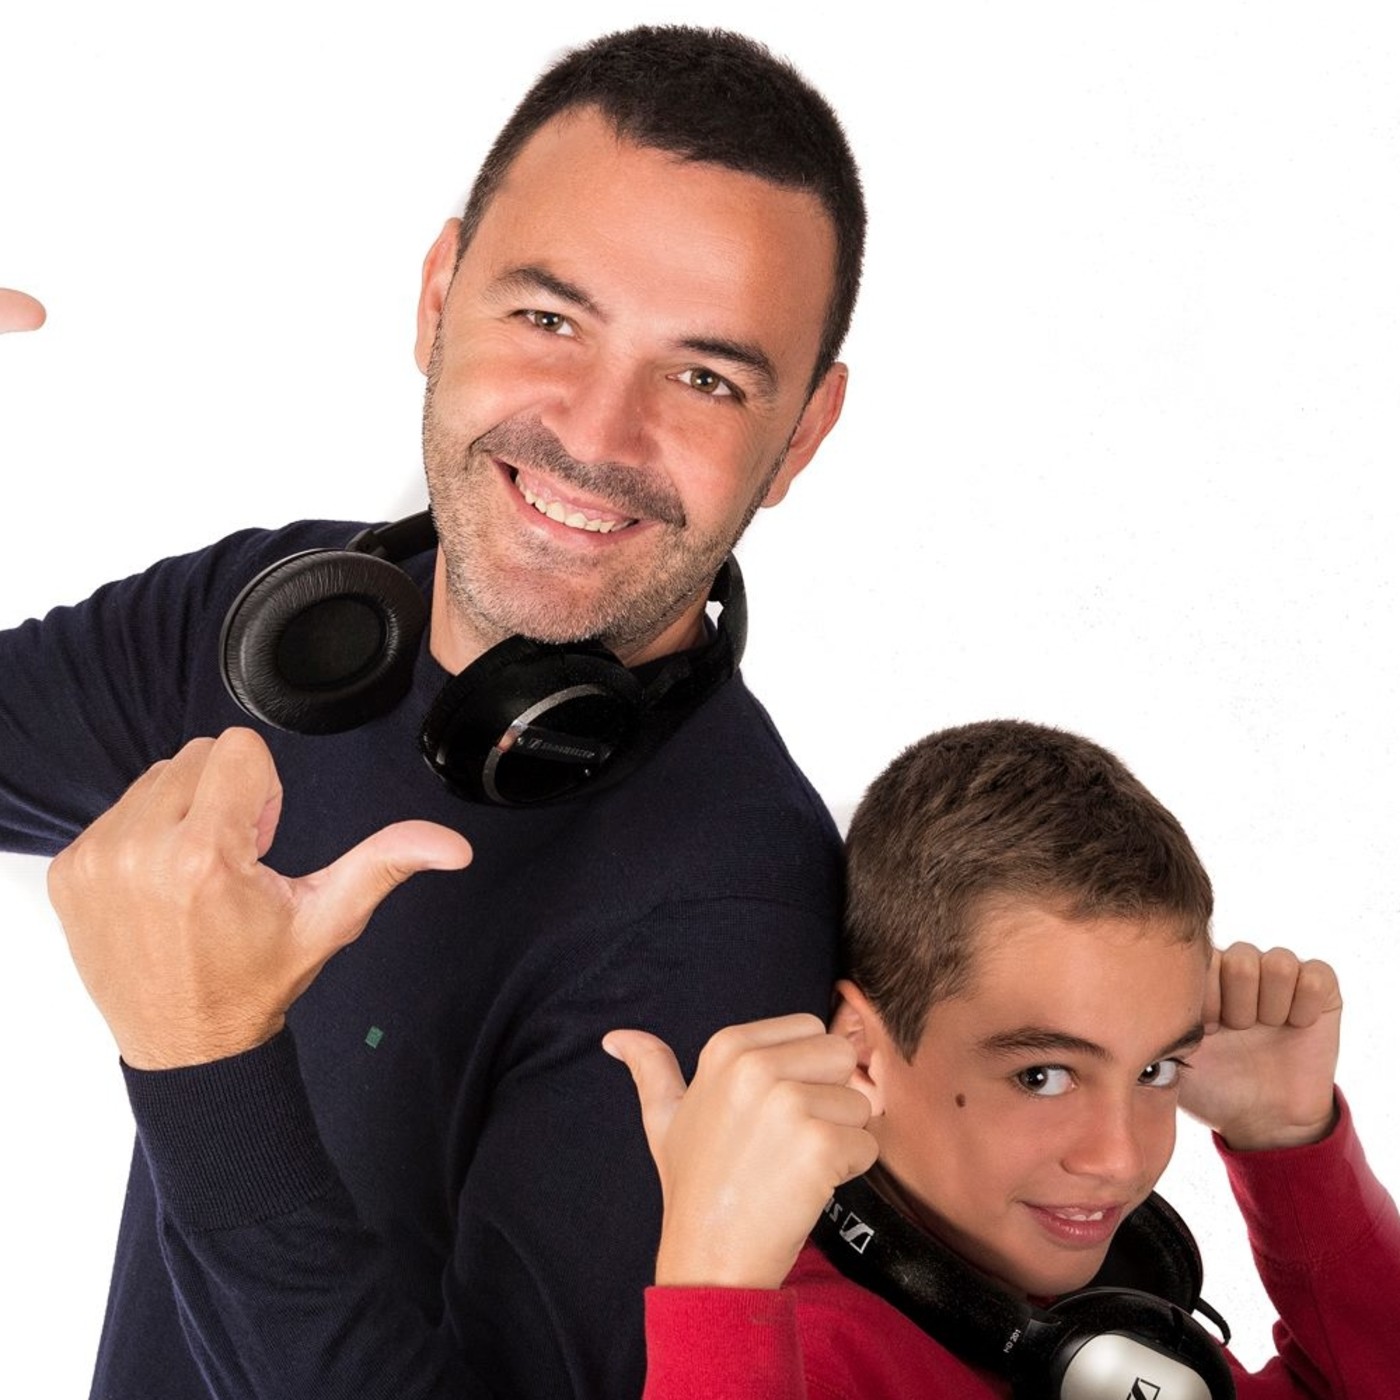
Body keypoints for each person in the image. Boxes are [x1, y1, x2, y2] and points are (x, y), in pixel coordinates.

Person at [0, 26, 863, 1399]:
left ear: (800, 437)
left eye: (704, 377)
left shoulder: (724, 909)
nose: (598, 433)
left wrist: (202, 1060)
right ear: (438, 297)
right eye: (549, 320)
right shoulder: (294, 617)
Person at [609, 719, 1400, 1397]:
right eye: (1042, 1076)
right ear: (861, 1053)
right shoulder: (800, 1362)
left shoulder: (1092, 1337)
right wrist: (715, 1300)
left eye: (1155, 1071)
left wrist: (1289, 1142)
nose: (1120, 1160)